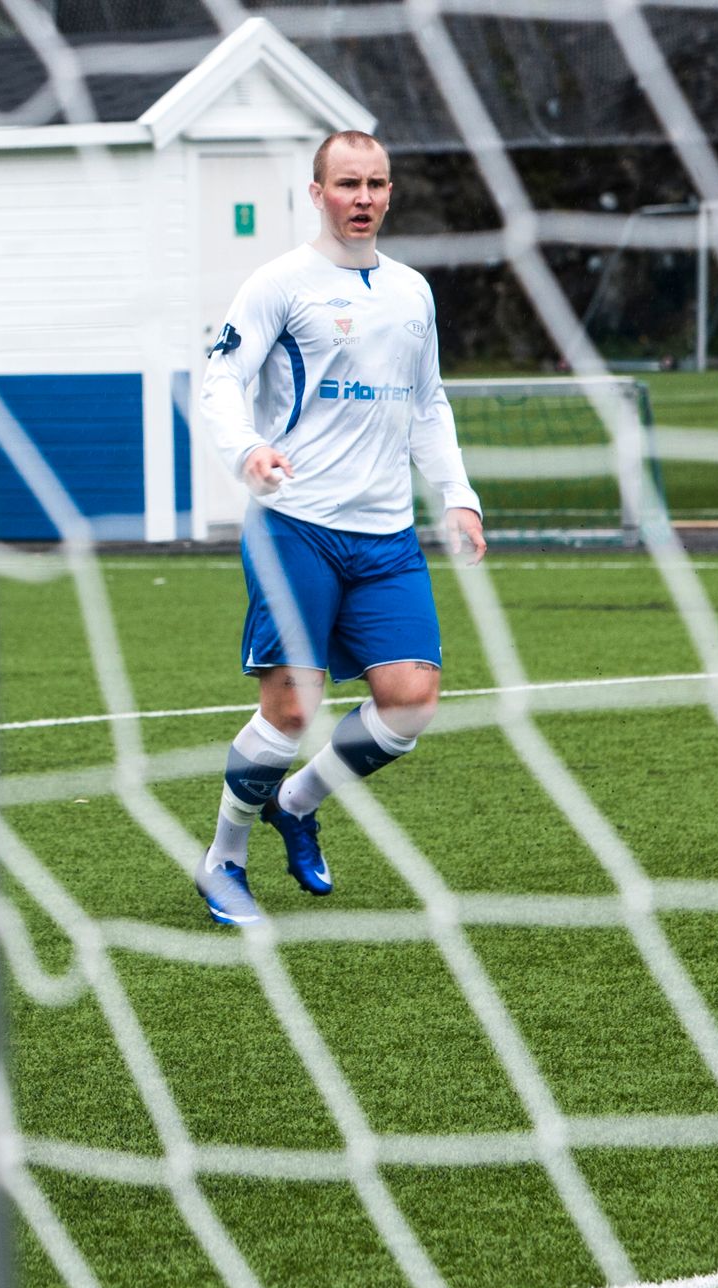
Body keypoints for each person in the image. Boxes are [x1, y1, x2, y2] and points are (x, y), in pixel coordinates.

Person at [194, 130, 487, 927]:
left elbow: (428, 404)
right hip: (297, 525)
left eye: (377, 183)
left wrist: (457, 494)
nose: (363, 197)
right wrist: (249, 448)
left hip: (386, 535)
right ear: (317, 191)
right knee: (292, 709)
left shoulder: (413, 292)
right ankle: (223, 858)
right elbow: (221, 378)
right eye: (347, 183)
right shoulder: (279, 284)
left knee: (410, 701)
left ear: (391, 194)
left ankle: (296, 801)